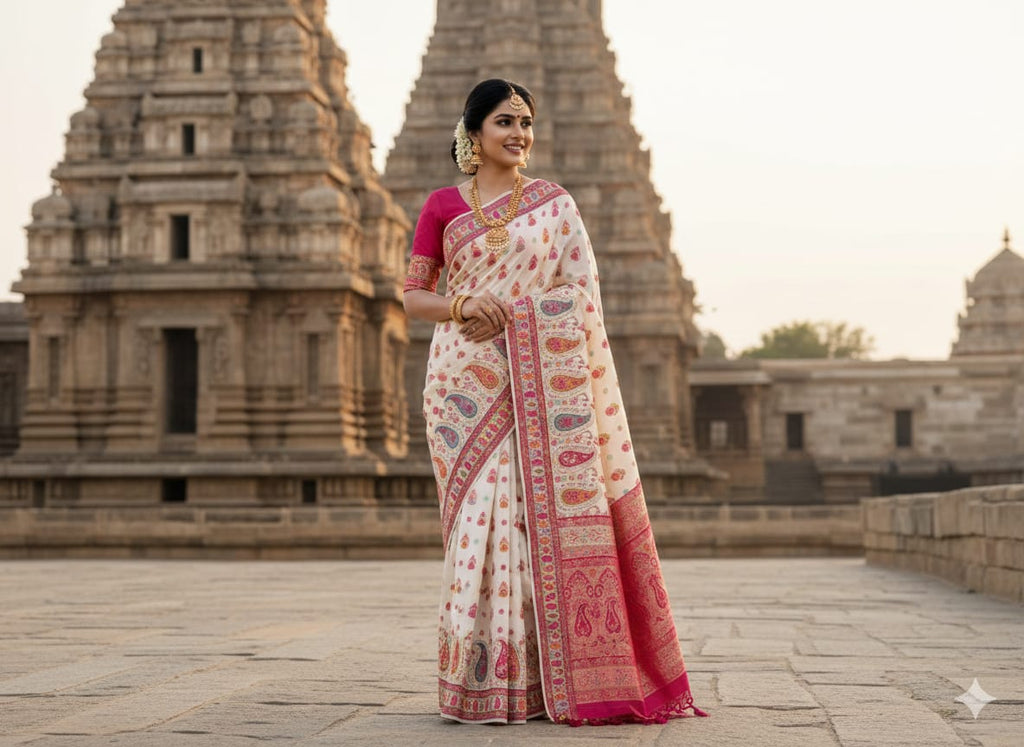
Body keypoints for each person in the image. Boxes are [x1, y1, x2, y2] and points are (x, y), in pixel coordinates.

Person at [403, 78, 708, 726]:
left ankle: (538, 684)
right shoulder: (439, 207)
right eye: (505, 122)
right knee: (477, 524)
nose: (519, 134)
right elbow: (413, 297)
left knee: (526, 522)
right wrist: (461, 304)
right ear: (473, 133)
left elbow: (580, 299)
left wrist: (513, 312)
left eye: (526, 122)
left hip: (535, 377)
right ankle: (476, 682)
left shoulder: (555, 206)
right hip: (460, 384)